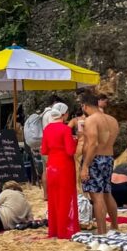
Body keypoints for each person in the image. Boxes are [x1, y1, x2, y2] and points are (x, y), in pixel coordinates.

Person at [80, 91, 121, 234]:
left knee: (96, 197)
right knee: (107, 193)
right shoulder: (112, 120)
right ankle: (114, 226)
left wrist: (85, 165)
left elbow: (93, 144)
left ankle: (102, 231)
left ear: (84, 106)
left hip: (95, 159)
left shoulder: (91, 120)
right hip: (108, 157)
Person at [41, 102, 79, 239]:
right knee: (65, 197)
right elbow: (70, 151)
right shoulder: (65, 129)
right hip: (64, 165)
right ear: (64, 114)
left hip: (51, 165)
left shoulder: (47, 129)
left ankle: (55, 229)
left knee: (54, 198)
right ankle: (65, 230)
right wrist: (75, 141)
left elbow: (44, 150)